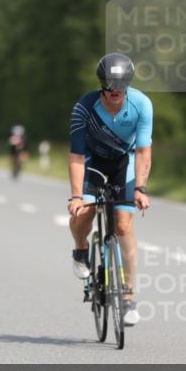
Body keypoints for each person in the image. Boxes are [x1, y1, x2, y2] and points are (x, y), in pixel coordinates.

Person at [67, 53, 153, 327]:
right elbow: (77, 157)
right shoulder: (84, 108)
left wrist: (139, 188)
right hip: (92, 162)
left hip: (123, 163)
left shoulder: (141, 104)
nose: (116, 92)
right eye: (110, 87)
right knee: (84, 215)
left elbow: (142, 151)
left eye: (121, 87)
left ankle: (128, 296)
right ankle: (81, 250)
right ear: (101, 85)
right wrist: (78, 197)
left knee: (124, 225)